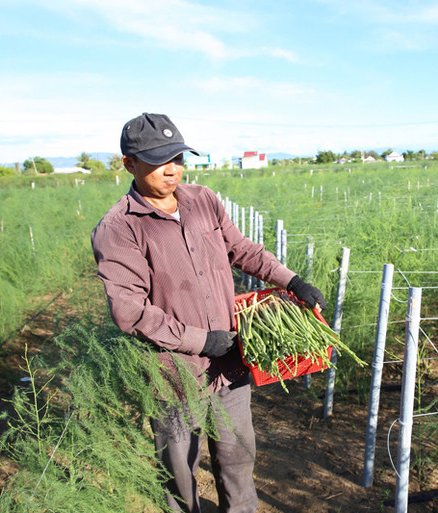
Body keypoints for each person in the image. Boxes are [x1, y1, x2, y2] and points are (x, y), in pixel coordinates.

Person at [91, 112, 326, 513]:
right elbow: (130, 311)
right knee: (180, 470)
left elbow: (243, 250)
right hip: (172, 373)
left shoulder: (203, 200)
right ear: (129, 164)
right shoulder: (119, 228)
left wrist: (292, 281)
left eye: (178, 158)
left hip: (230, 364)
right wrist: (201, 341)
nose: (172, 170)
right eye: (158, 160)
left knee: (237, 457)